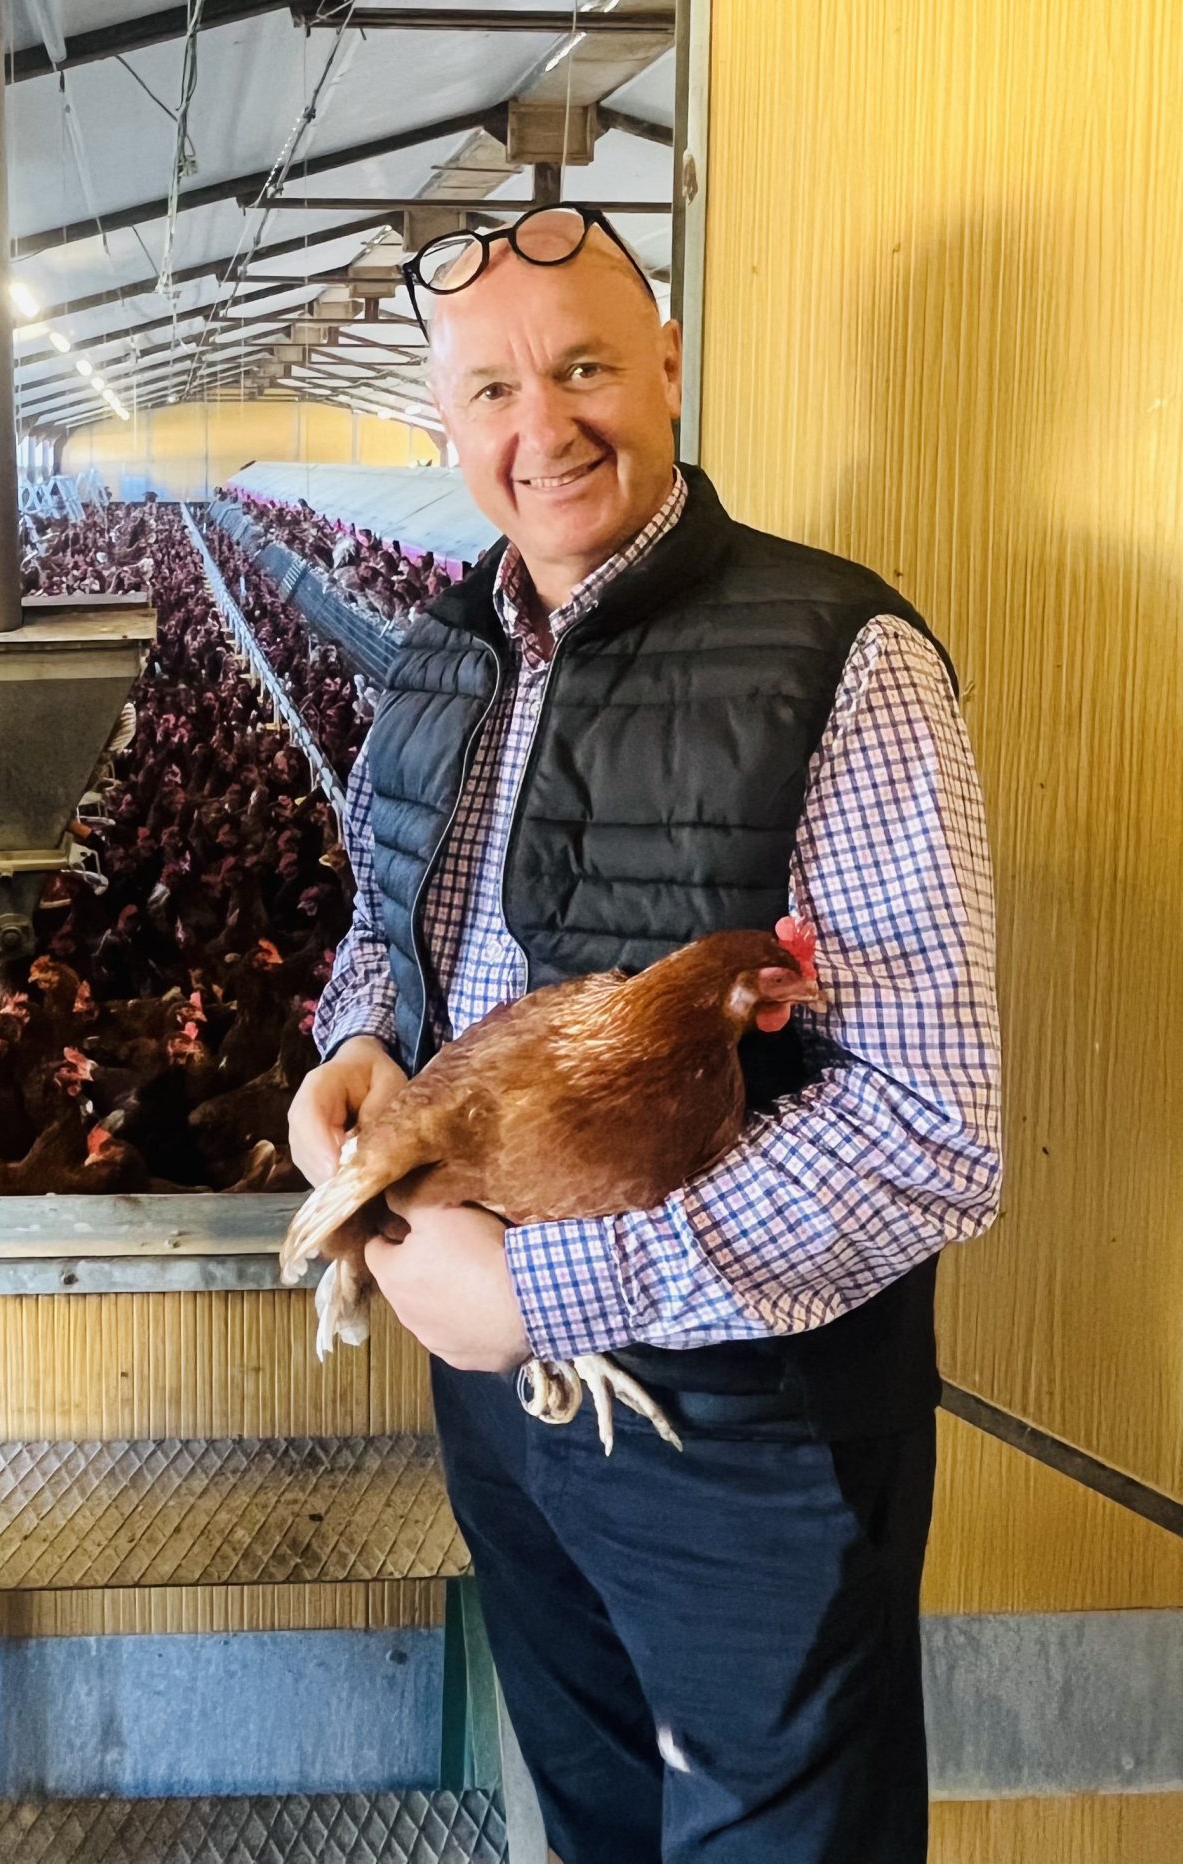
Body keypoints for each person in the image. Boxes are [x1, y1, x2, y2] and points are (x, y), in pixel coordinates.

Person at [289, 203, 1001, 1864]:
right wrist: (353, 1048)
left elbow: (929, 1127)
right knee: (595, 1825)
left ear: (669, 364)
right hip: (512, 1438)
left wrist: (539, 1293)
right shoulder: (442, 655)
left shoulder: (840, 657)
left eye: (586, 366)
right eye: (488, 393)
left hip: (749, 1439)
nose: (540, 428)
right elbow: (388, 942)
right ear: (444, 426)